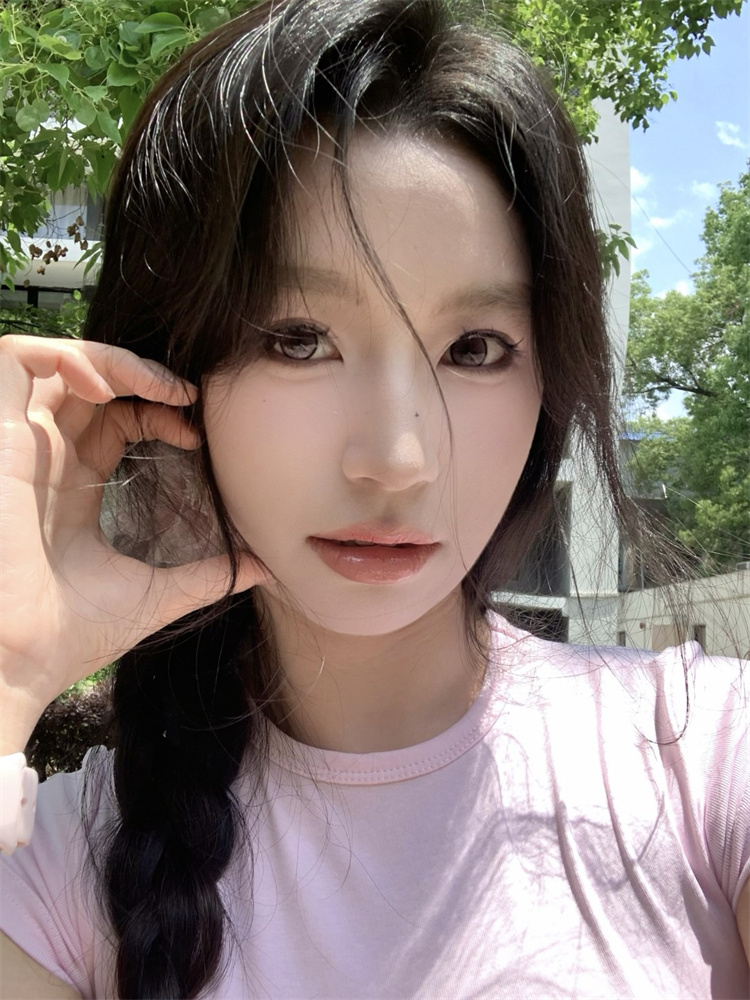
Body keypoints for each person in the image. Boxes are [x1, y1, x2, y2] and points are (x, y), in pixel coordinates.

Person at [0, 0, 748, 997]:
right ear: (165, 373)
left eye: (475, 348)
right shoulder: (61, 867)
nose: (397, 460)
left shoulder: (704, 759)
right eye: (297, 339)